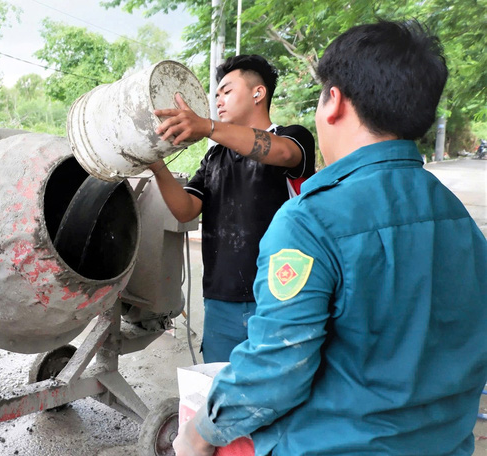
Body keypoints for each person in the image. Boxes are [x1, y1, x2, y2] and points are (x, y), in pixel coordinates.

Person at [173, 20, 487, 456]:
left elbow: (275, 371)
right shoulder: (456, 216)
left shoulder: (310, 219)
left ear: (334, 102)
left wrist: (199, 434)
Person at [151, 55, 315, 362]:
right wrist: (155, 163)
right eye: (216, 96)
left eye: (226, 91)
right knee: (222, 395)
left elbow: (280, 152)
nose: (219, 101)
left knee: (275, 397)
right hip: (220, 301)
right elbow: (186, 210)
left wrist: (207, 127)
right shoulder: (214, 158)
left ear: (258, 93)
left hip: (278, 299)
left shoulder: (293, 136)